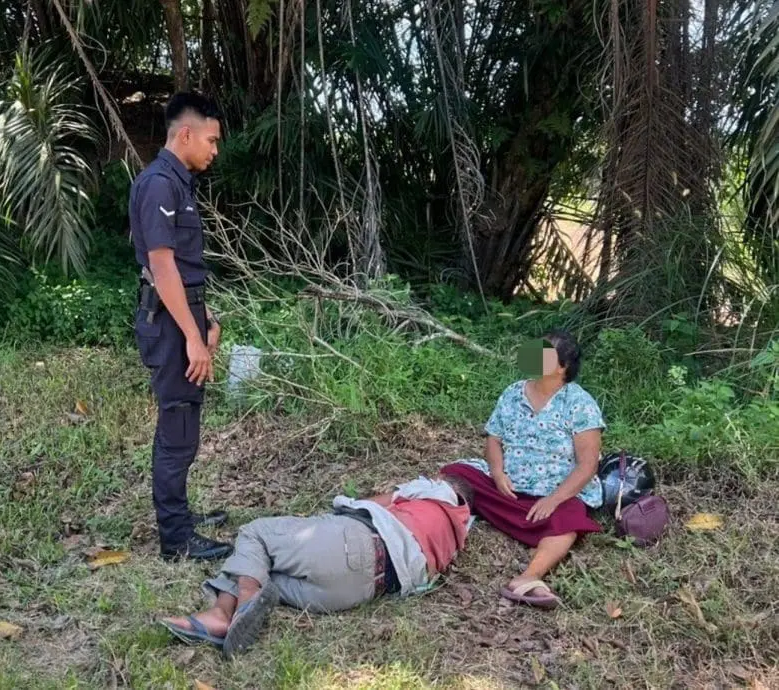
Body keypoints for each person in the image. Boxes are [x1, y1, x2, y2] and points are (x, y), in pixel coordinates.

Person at [158, 475, 475, 657]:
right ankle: (221, 616)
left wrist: (344, 503)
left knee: (255, 534)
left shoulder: (440, 490)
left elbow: (377, 501)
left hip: (359, 543)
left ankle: (239, 601)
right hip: (357, 591)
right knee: (259, 569)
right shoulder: (456, 540)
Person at [129, 92, 232, 562]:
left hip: (183, 317)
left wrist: (205, 318)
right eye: (211, 140)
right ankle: (176, 540)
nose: (215, 150)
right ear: (185, 134)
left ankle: (182, 518)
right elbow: (162, 266)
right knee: (177, 428)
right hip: (170, 328)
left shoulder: (180, 183)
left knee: (184, 424)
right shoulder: (158, 186)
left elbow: (186, 269)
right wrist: (192, 337)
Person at [441, 329, 604, 609]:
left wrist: (553, 500)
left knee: (569, 519)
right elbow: (494, 438)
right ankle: (397, 509)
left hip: (553, 494)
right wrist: (497, 472)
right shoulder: (513, 392)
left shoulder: (580, 404)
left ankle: (528, 578)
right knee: (455, 473)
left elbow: (587, 465)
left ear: (562, 367)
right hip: (508, 487)